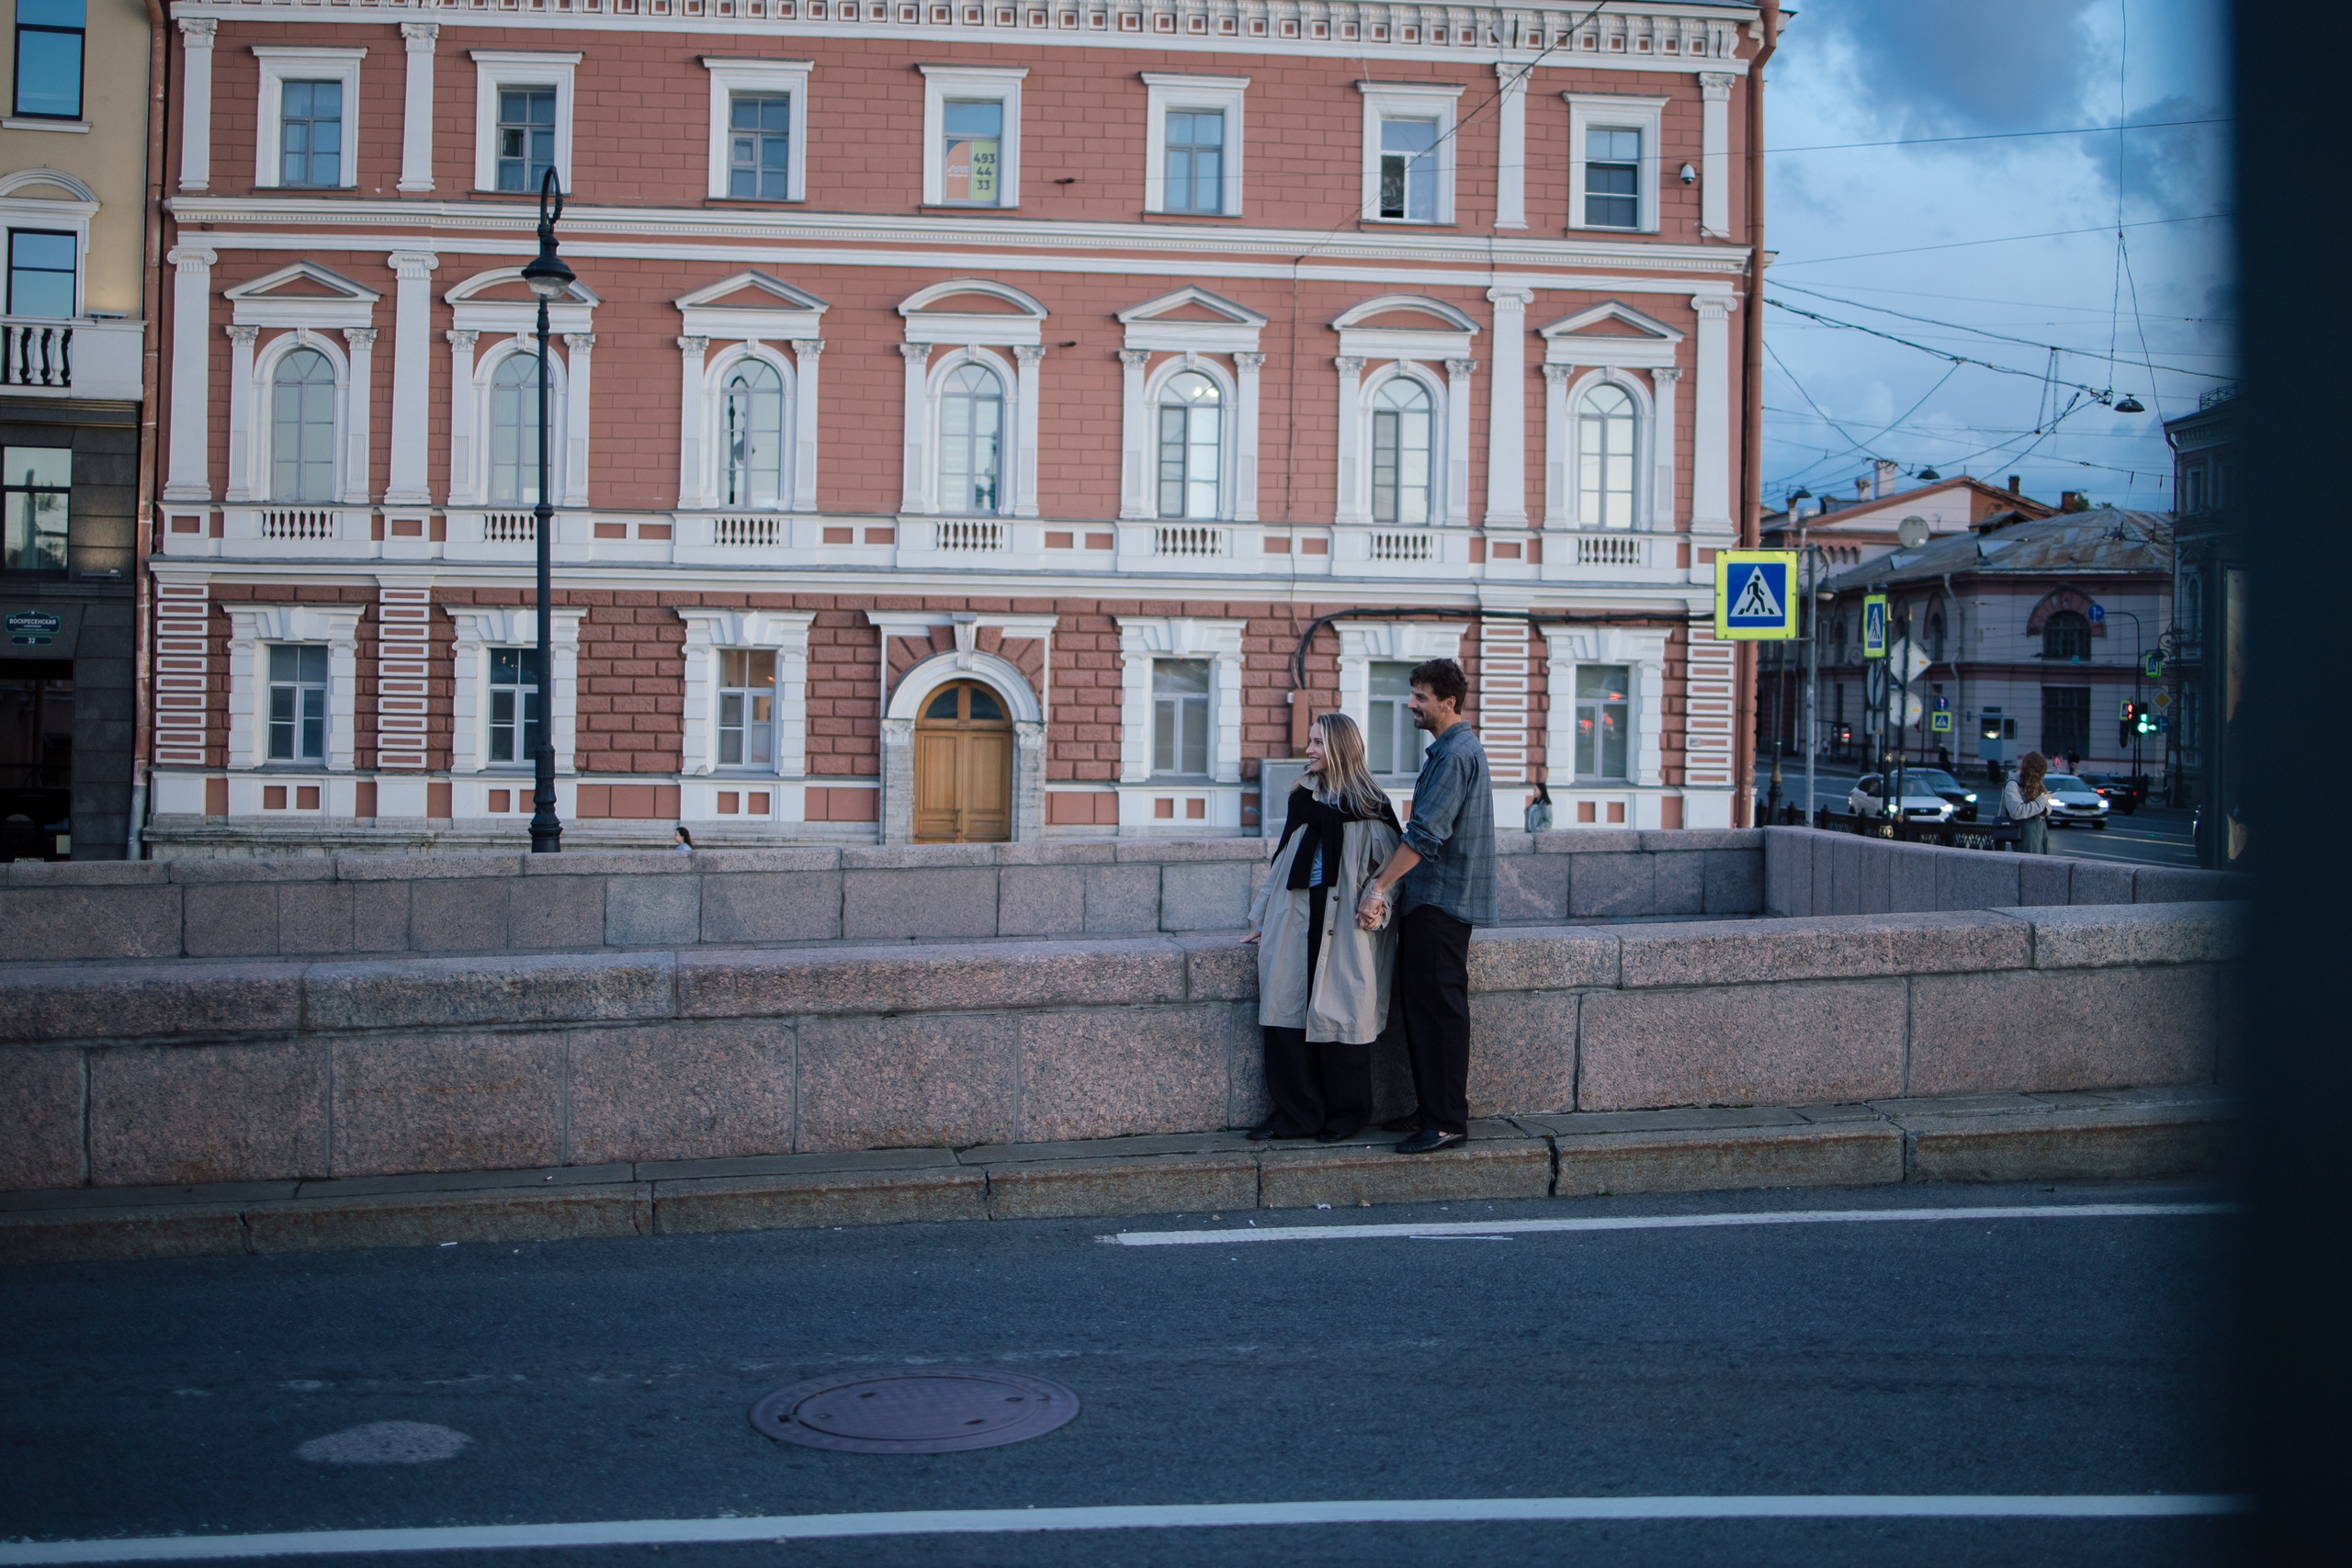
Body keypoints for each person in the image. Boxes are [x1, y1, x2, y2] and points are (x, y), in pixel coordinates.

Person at [1241, 713, 1402, 1144]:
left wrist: (1379, 903)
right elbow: (1282, 862)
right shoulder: (1302, 797)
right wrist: (1261, 919)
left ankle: (1345, 1117)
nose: (1308, 750)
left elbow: (1393, 871)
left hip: (1346, 921)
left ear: (1340, 749)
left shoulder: (1371, 804)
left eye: (1317, 743)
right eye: (1310, 741)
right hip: (1294, 915)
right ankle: (1296, 1115)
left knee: (1342, 1016)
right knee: (1286, 1013)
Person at [1356, 658, 1495, 1156]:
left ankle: (1446, 1120)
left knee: (1439, 1013)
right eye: (1412, 694)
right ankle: (1431, 1108)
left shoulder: (1457, 754)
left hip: (1442, 901)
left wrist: (1377, 888)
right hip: (1433, 900)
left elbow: (1426, 834)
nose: (1410, 704)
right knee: (1423, 1010)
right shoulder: (1449, 751)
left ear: (1448, 702)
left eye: (1420, 697)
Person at [2002, 750, 2052, 854]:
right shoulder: (2012, 785)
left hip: (2039, 829)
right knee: (2030, 865)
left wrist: (2045, 808)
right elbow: (2016, 811)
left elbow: (2045, 806)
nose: (2039, 778)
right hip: (2025, 833)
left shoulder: (2033, 782)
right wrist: (2041, 802)